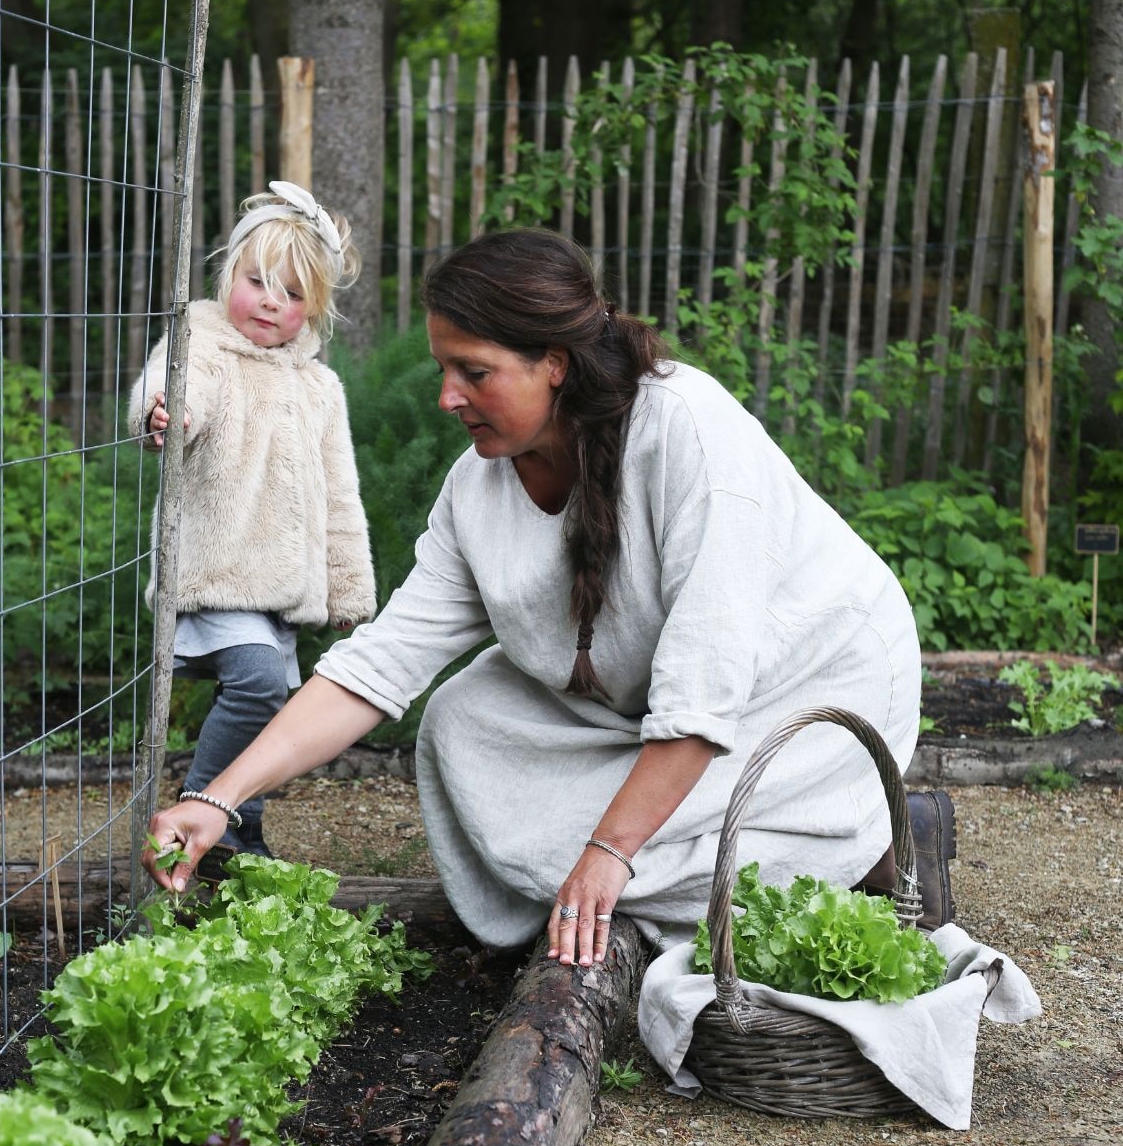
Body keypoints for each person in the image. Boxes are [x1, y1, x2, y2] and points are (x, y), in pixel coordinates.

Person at [142, 228, 952, 959]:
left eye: (475, 372)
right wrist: (218, 798)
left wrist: (606, 853)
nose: (446, 397)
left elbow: (705, 686)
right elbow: (379, 665)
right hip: (639, 705)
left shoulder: (687, 432)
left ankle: (867, 840)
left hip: (804, 687)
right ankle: (690, 868)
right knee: (463, 720)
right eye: (444, 370)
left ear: (553, 365)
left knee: (622, 864)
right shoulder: (476, 489)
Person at [129, 182, 375, 871]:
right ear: (228, 275)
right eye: (258, 281)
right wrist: (162, 414)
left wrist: (349, 590)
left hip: (280, 592)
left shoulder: (319, 387)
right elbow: (182, 394)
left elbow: (339, 496)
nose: (271, 300)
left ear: (314, 309)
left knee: (275, 704)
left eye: (293, 293)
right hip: (216, 574)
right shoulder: (202, 344)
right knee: (262, 683)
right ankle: (204, 810)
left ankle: (244, 830)